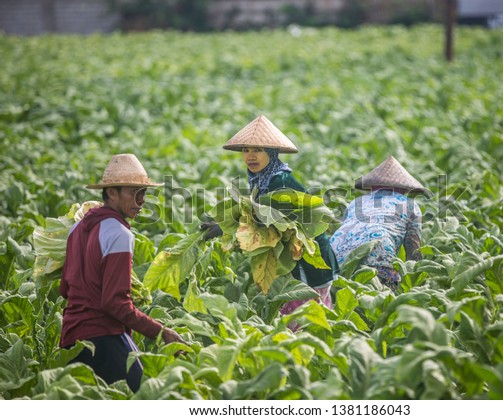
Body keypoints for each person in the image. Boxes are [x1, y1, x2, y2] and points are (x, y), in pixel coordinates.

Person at [59, 153, 186, 392]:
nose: (141, 200)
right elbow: (114, 303)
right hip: (104, 338)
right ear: (111, 193)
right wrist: (162, 333)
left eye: (143, 193)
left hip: (71, 340)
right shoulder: (119, 233)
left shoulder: (76, 228)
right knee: (145, 398)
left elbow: (65, 287)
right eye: (133, 192)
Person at [206, 114, 339, 315]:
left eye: (258, 150)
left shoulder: (279, 181)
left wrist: (222, 227)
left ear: (271, 152)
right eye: (246, 150)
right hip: (297, 258)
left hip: (309, 258)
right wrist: (223, 224)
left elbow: (267, 221)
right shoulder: (261, 179)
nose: (250, 156)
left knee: (306, 317)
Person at [329, 156, 428, 291]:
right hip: (379, 252)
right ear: (405, 189)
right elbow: (414, 253)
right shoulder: (410, 205)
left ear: (372, 186)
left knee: (339, 295)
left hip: (334, 256)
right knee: (384, 296)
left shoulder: (356, 202)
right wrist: (416, 283)